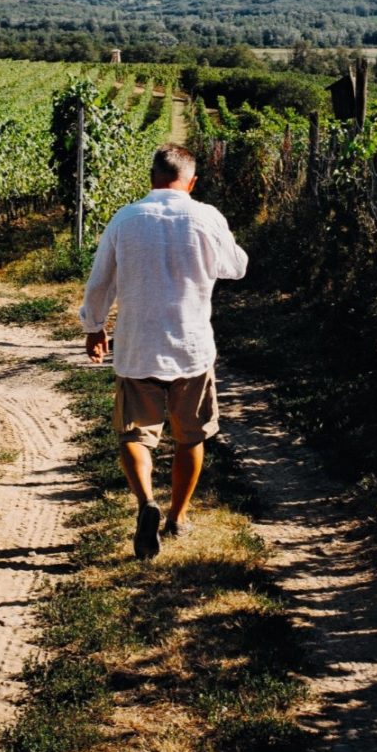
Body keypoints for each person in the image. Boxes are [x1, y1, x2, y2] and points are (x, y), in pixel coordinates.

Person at [80, 143, 248, 560]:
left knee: (134, 433)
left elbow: (102, 280)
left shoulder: (126, 217)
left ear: (151, 178)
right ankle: (178, 516)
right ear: (192, 182)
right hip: (191, 345)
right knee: (191, 436)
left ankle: (145, 503)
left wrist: (94, 326)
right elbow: (236, 267)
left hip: (139, 344)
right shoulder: (206, 216)